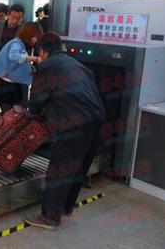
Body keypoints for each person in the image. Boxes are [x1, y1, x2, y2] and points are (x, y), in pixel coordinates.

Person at [24, 32, 105, 230]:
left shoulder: (46, 67)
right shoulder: (75, 63)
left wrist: (30, 114)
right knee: (78, 166)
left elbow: (36, 99)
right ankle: (65, 207)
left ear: (42, 52)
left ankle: (49, 218)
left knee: (60, 168)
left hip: (73, 123)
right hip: (96, 118)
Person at [0, 22, 42, 145]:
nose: (36, 40)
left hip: (3, 82)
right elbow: (14, 56)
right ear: (29, 35)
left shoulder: (20, 45)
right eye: (35, 36)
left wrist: (29, 67)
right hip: (0, 83)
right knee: (7, 115)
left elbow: (19, 62)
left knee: (5, 114)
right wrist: (35, 59)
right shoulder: (16, 43)